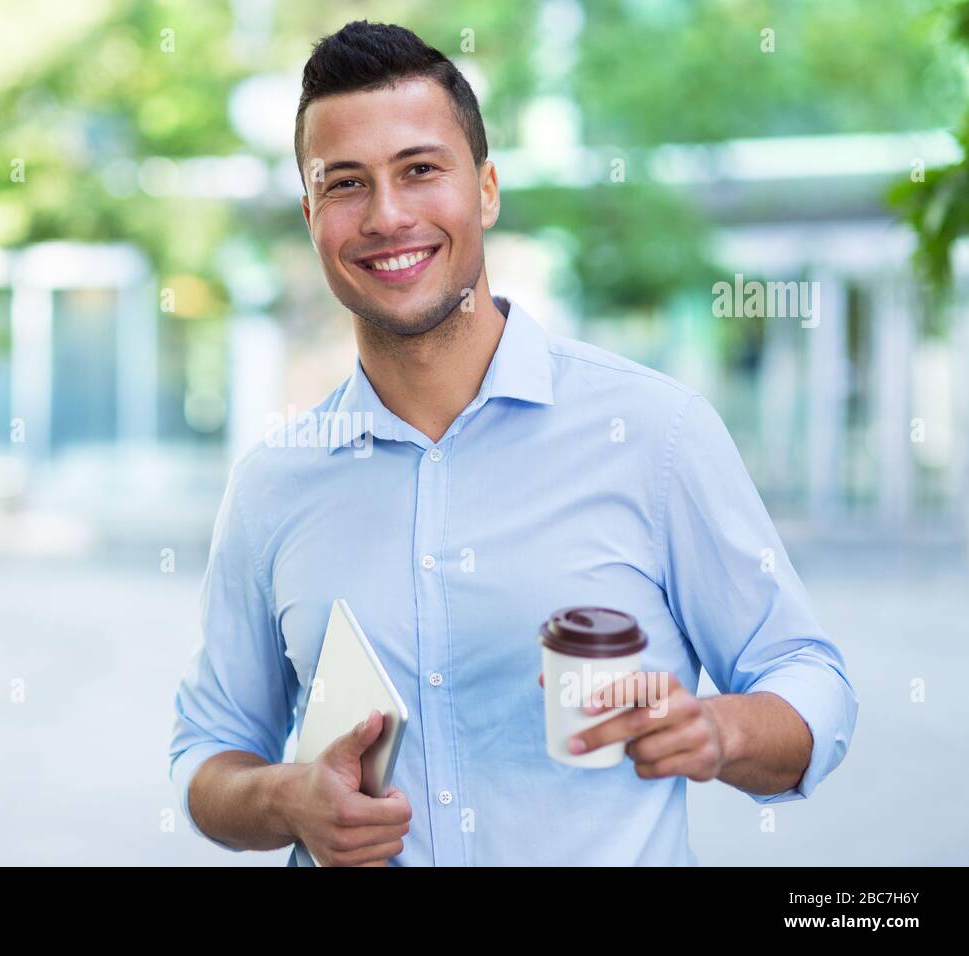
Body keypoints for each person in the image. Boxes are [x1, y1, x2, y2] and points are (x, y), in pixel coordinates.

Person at [169, 20, 857, 866]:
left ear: (486, 190)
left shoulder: (653, 434)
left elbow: (808, 677)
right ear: (312, 215)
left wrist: (715, 729)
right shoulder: (273, 483)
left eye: (420, 170)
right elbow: (207, 751)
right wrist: (286, 797)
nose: (387, 216)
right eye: (345, 184)